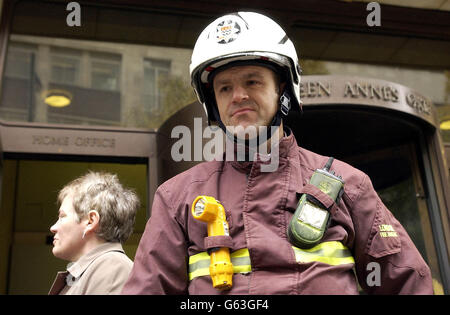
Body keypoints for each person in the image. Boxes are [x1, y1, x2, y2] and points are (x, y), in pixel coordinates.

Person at [122, 12, 433, 294]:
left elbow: (408, 283)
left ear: (283, 90)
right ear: (212, 103)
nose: (238, 96)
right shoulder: (178, 197)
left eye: (252, 81)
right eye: (224, 88)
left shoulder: (349, 184)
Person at [49, 171, 140, 295]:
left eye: (62, 216)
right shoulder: (98, 269)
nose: (53, 228)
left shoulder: (111, 269)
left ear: (91, 221)